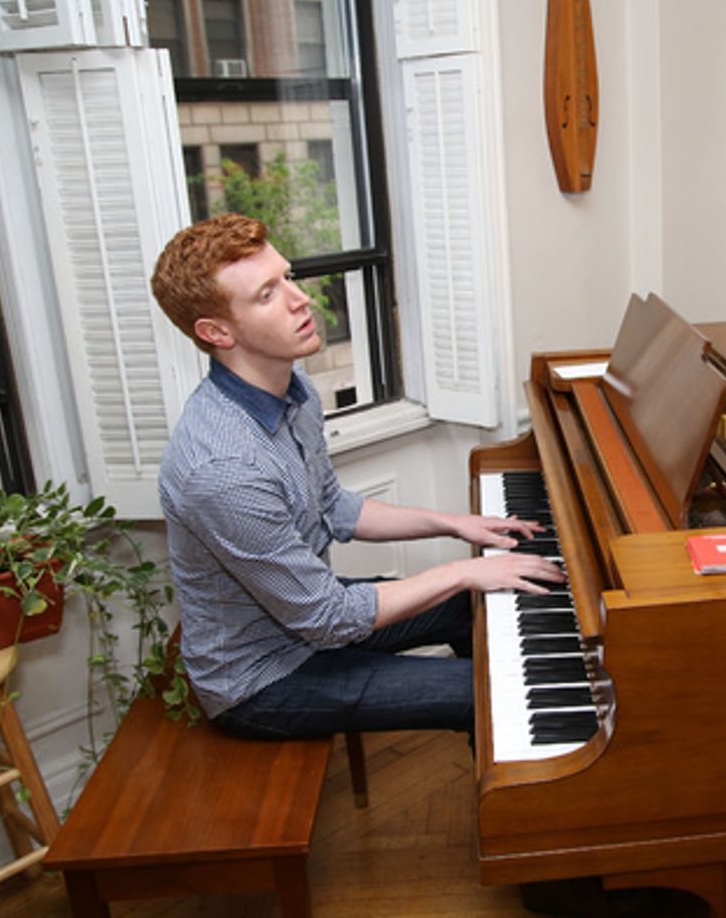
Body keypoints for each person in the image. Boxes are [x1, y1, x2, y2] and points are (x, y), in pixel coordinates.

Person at [150, 213, 563, 741]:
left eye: (289, 278)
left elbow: (333, 507)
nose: (302, 300)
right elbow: (327, 618)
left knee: (472, 608)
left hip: (304, 622)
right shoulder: (222, 470)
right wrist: (462, 571)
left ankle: (508, 776)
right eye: (267, 295)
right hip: (263, 679)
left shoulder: (292, 384)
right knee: (490, 690)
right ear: (216, 332)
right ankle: (518, 788)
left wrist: (458, 525)